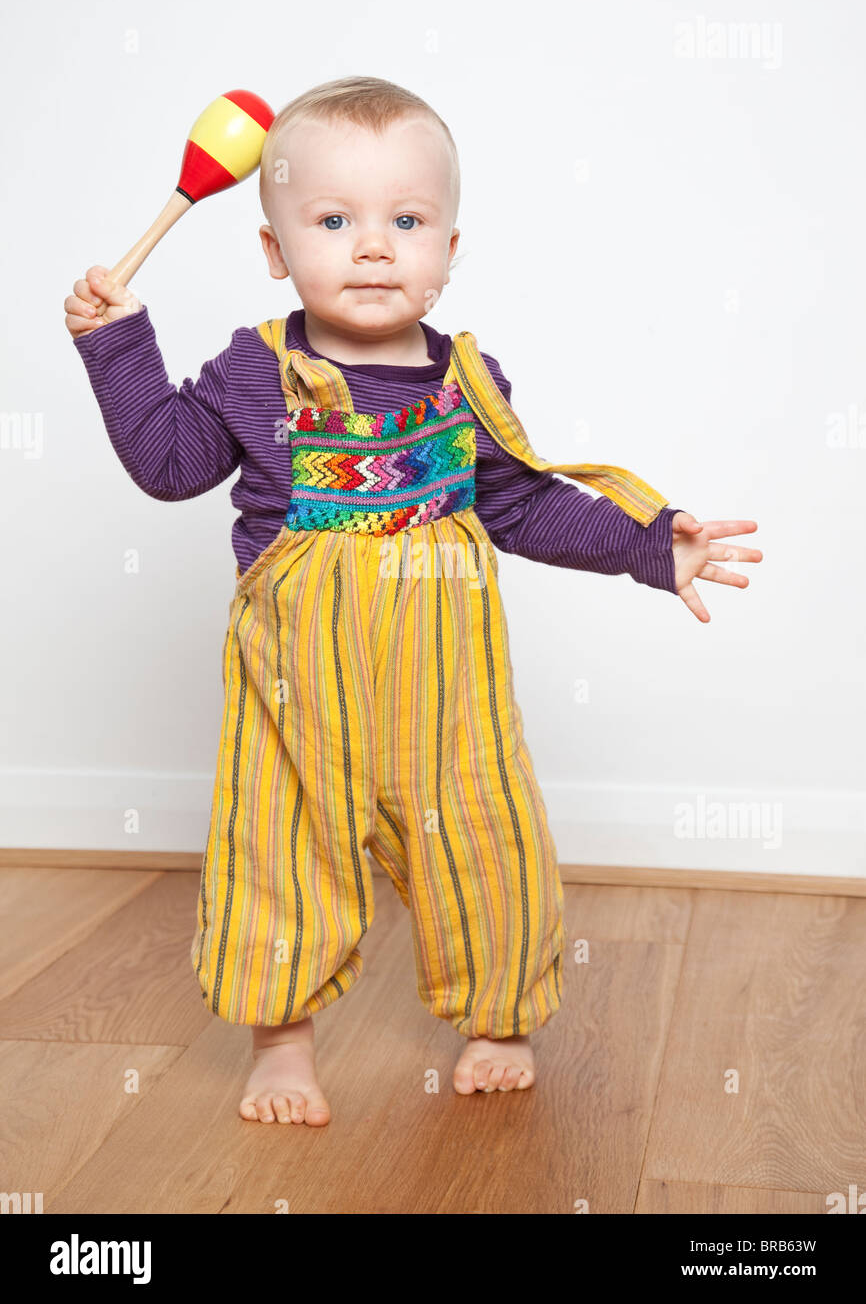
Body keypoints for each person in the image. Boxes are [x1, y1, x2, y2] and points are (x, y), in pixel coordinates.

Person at [64, 75, 761, 1127]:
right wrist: (117, 346)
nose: (374, 246)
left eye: (405, 220)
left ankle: (495, 1020)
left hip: (447, 696)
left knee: (486, 841)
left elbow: (523, 508)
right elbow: (167, 462)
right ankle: (282, 1043)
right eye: (333, 221)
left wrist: (646, 548)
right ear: (273, 250)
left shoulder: (465, 382)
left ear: (447, 247)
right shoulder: (255, 373)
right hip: (295, 698)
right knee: (278, 851)